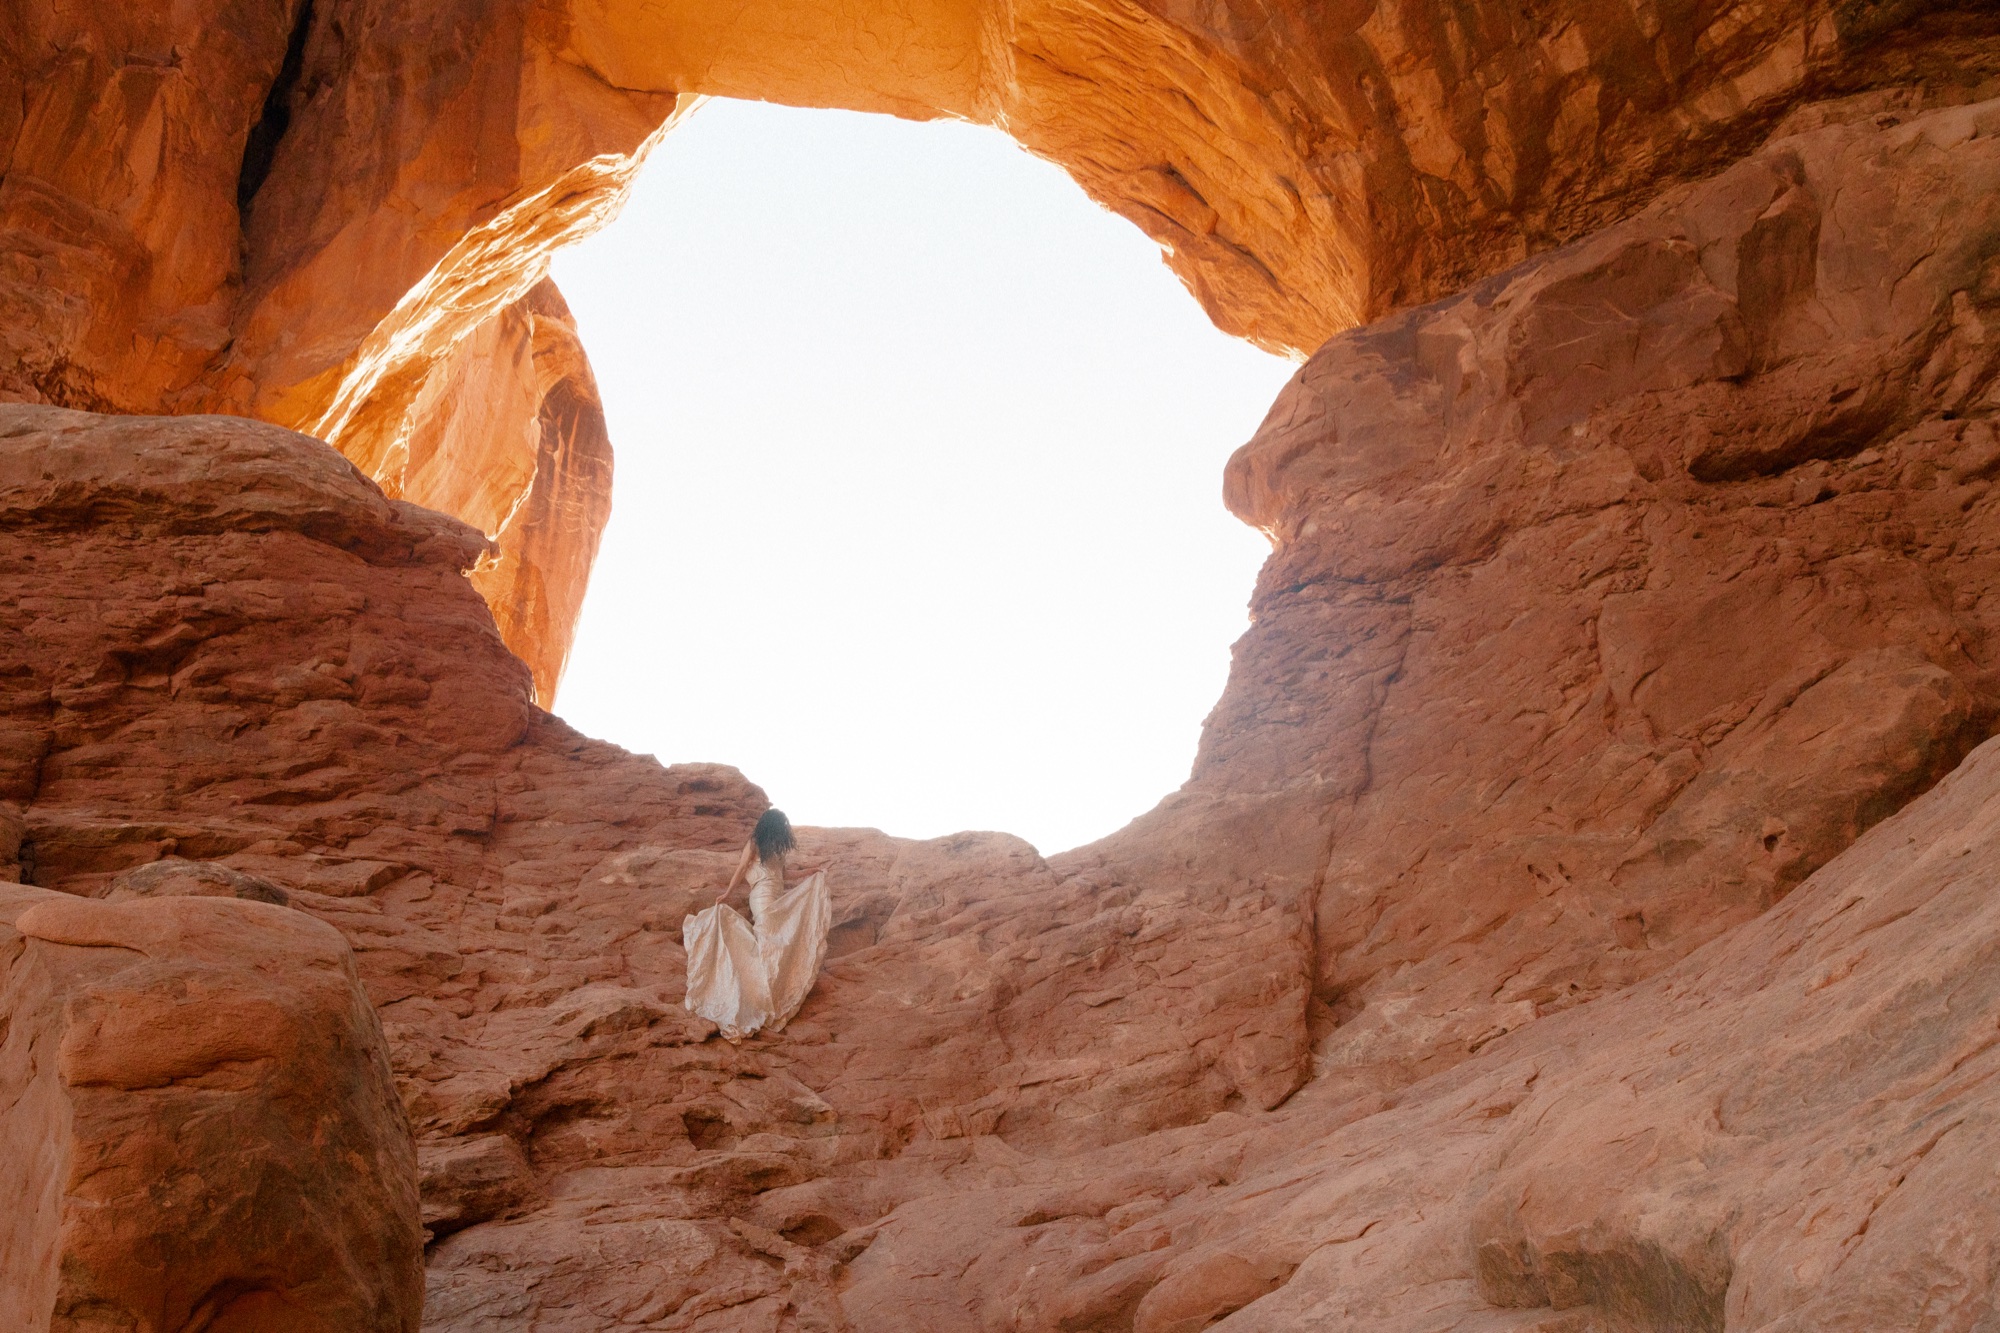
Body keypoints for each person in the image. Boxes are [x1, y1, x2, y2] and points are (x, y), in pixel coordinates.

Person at [682, 808, 833, 1041]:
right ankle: (758, 994)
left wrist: (814, 872)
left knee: (774, 939)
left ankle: (767, 990)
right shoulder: (755, 842)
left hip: (776, 895)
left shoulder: (776, 848)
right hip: (761, 895)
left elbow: (786, 874)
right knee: (766, 936)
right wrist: (727, 893)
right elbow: (742, 868)